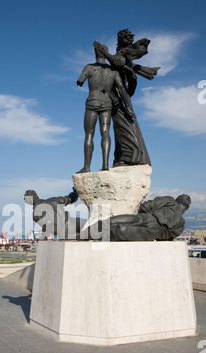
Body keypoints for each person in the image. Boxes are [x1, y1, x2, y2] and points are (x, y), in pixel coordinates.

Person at [93, 29, 160, 167]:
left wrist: (103, 52)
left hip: (119, 94)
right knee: (119, 126)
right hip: (117, 93)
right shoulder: (126, 55)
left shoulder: (125, 54)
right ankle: (121, 156)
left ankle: (131, 156)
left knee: (123, 124)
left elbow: (117, 62)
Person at [76, 46, 132, 173]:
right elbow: (122, 90)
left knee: (89, 135)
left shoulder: (89, 67)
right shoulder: (112, 71)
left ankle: (87, 167)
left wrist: (81, 81)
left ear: (96, 53)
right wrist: (128, 107)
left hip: (92, 102)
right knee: (105, 134)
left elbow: (80, 80)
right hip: (106, 103)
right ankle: (105, 165)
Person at [109, 194, 191, 241]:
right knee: (121, 231)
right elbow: (164, 238)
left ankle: (98, 228)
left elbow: (146, 205)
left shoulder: (170, 201)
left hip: (150, 218)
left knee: (113, 222)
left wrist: (144, 215)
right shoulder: (180, 225)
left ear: (177, 200)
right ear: (186, 208)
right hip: (154, 232)